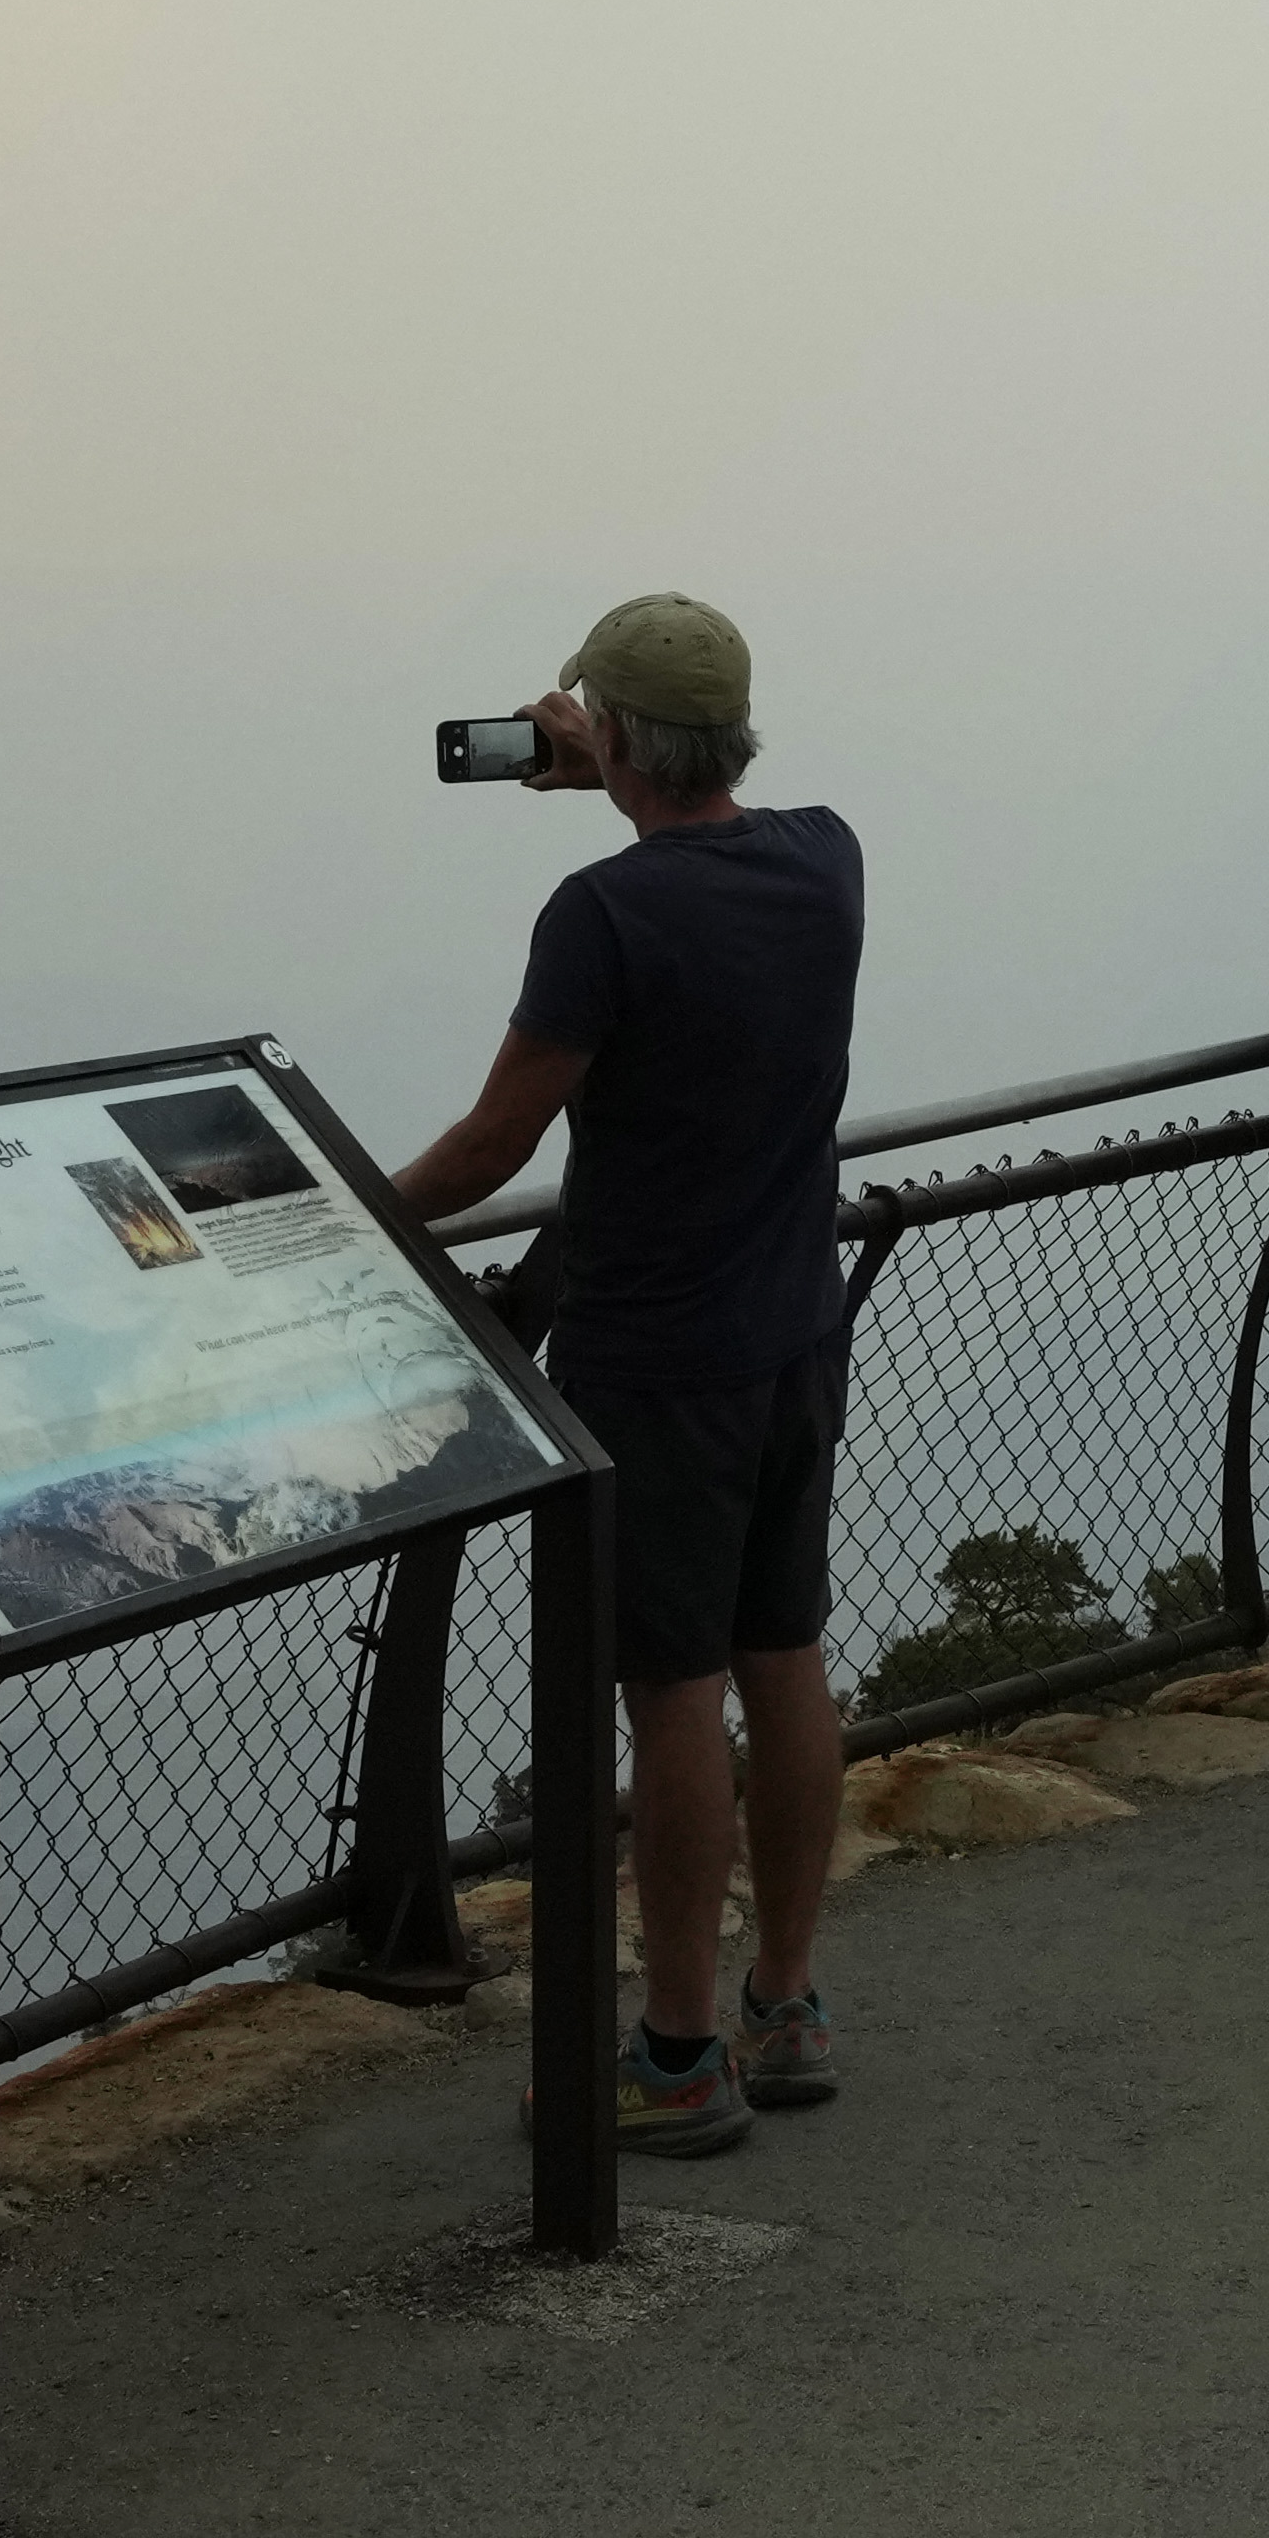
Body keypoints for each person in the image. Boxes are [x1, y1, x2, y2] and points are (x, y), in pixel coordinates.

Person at [393, 593, 862, 2159]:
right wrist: (614, 766)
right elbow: (710, 851)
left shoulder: (598, 915)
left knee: (672, 1690)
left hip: (656, 1354)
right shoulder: (826, 857)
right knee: (783, 1648)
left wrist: (336, 1220)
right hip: (797, 1327)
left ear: (607, 734)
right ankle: (782, 2000)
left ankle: (670, 2054)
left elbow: (488, 1148)